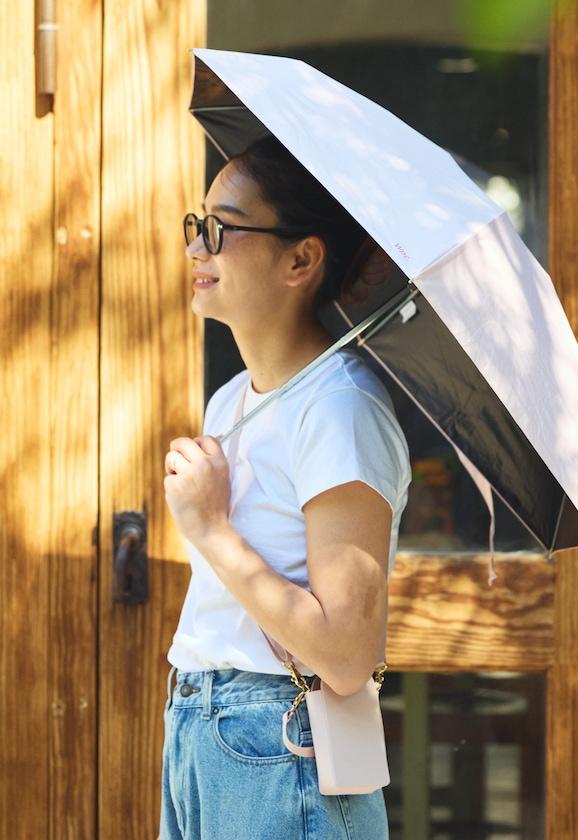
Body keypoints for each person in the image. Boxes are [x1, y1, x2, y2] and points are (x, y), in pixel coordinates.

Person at [158, 134, 411, 839]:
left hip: (278, 745)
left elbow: (345, 652)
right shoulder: (232, 399)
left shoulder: (341, 408)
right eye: (197, 224)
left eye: (222, 228)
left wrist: (210, 529)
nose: (197, 247)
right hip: (200, 728)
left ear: (300, 258)